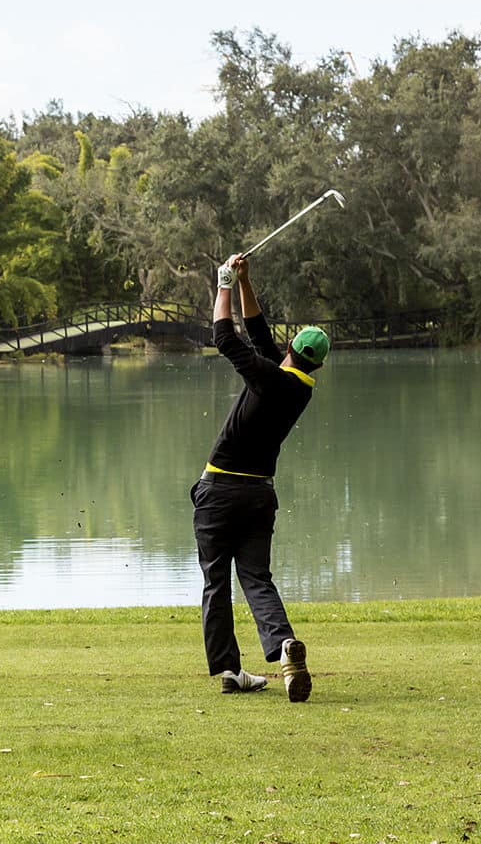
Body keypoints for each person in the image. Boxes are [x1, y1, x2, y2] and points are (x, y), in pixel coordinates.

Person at [192, 253, 329, 702]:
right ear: (316, 364)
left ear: (291, 350)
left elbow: (225, 338)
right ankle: (283, 644)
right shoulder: (296, 385)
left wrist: (224, 283)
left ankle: (229, 670)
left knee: (216, 581)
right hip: (258, 498)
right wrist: (247, 283)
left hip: (219, 492)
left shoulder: (272, 377)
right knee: (256, 579)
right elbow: (257, 334)